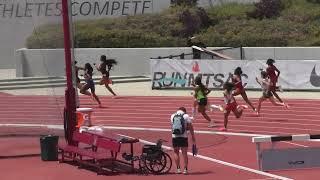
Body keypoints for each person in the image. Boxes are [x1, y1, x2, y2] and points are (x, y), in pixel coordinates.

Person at [171, 107, 196, 175]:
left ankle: (178, 169)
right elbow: (190, 127)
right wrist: (193, 136)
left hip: (175, 137)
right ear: (184, 111)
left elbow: (173, 126)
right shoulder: (186, 116)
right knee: (184, 153)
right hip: (183, 137)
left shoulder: (172, 116)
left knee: (176, 152)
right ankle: (185, 169)